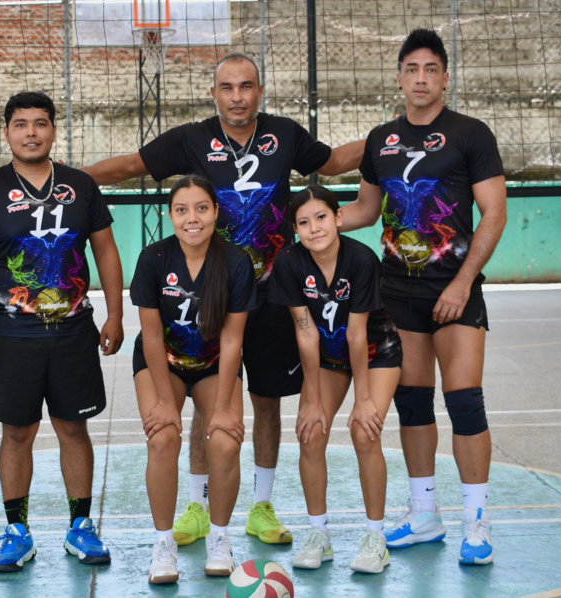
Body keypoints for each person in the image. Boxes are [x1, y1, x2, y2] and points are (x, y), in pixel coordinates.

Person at [84, 52, 365, 546]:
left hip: (274, 294)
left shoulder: (285, 135)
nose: (237, 97)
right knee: (205, 398)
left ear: (260, 92)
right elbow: (129, 165)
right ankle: (197, 505)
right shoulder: (192, 139)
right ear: (213, 93)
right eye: (228, 88)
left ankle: (261, 505)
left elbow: (337, 163)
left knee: (267, 402)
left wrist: (393, 136)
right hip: (213, 292)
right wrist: (65, 176)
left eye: (246, 86)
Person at [339, 29, 508, 565]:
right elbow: (366, 211)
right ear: (398, 78)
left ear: (445, 78)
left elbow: (495, 213)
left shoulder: (471, 134)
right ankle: (424, 514)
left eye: (430, 69)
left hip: (455, 292)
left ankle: (476, 524)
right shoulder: (381, 140)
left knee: (464, 403)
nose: (420, 78)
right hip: (398, 293)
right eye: (411, 69)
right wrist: (315, 221)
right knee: (412, 404)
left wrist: (463, 282)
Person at [0, 91, 125, 572]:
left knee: (74, 428)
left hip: (74, 333)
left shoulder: (80, 185)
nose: (31, 132)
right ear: (7, 132)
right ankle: (17, 531)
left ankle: (80, 526)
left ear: (53, 130)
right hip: (12, 336)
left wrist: (115, 314)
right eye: (21, 124)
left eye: (41, 123)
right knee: (16, 433)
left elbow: (106, 251)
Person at [269, 186, 402, 574]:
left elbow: (357, 334)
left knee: (365, 431)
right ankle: (319, 535)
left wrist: (363, 399)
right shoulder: (289, 263)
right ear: (295, 230)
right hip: (328, 354)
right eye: (304, 222)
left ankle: (375, 539)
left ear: (338, 217)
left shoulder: (361, 260)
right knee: (310, 431)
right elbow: (306, 332)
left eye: (321, 217)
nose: (314, 228)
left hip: (375, 351)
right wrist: (311, 399)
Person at [131, 175, 256, 584]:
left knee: (224, 440)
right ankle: (163, 545)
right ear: (170, 215)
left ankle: (219, 538)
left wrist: (222, 410)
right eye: (182, 210)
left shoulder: (235, 262)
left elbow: (233, 340)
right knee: (162, 436)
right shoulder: (153, 258)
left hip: (213, 361)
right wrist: (165, 403)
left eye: (202, 208)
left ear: (216, 212)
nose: (192, 218)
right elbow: (151, 336)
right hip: (162, 361)